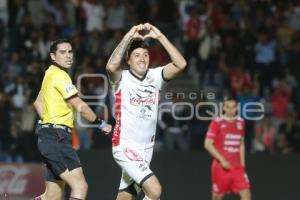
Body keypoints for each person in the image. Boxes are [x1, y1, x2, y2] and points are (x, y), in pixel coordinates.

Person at [106, 23, 187, 200]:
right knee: (155, 191)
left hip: (146, 150)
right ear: (128, 60)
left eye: (145, 55)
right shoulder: (121, 78)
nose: (142, 58)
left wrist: (160, 37)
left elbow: (181, 64)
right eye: (136, 55)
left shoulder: (156, 76)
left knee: (125, 197)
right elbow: (111, 67)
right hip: (125, 146)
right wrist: (128, 36)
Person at [33, 38, 112, 200]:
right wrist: (101, 123)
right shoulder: (60, 76)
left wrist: (49, 122)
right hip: (57, 137)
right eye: (62, 52)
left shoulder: (49, 73)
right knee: (80, 186)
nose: (68, 55)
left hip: (50, 136)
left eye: (70, 52)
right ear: (53, 56)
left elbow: (37, 103)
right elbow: (80, 106)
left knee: (53, 196)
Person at [204, 96, 251, 200]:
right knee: (217, 197)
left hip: (237, 167)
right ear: (224, 108)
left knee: (246, 194)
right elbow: (208, 144)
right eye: (228, 107)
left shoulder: (241, 122)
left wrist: (242, 164)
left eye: (233, 107)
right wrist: (222, 160)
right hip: (221, 167)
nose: (231, 110)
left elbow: (241, 143)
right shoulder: (217, 122)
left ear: (237, 107)